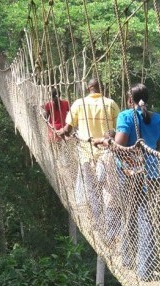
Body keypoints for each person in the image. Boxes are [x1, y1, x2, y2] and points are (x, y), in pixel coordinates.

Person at [57, 78, 120, 238]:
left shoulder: (79, 104)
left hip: (86, 154)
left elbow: (68, 128)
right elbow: (117, 131)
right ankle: (111, 230)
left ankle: (99, 226)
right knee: (108, 191)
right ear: (101, 88)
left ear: (88, 88)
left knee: (92, 191)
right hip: (107, 155)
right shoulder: (111, 104)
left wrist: (61, 132)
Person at [114, 83, 160, 281]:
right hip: (152, 173)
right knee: (146, 217)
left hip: (131, 174)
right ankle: (146, 269)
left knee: (129, 215)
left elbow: (118, 147)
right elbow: (157, 145)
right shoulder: (158, 118)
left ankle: (127, 259)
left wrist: (109, 142)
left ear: (129, 100)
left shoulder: (126, 116)